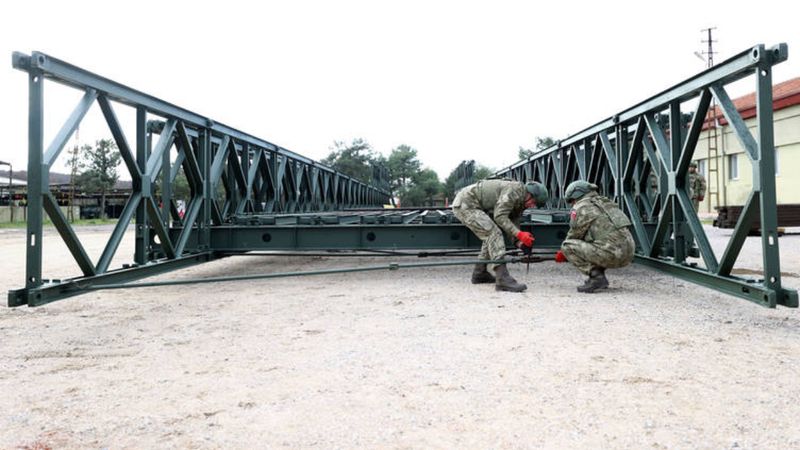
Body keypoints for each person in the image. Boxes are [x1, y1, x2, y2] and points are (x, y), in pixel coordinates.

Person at [452, 178, 548, 292]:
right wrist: (519, 234)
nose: (532, 206)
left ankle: (480, 273)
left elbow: (512, 222)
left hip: (473, 205)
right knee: (493, 233)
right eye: (534, 202)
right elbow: (500, 216)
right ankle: (502, 278)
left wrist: (519, 242)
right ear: (529, 194)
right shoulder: (514, 190)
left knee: (490, 236)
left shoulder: (521, 202)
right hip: (466, 204)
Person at [554, 181, 635, 293]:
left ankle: (597, 277)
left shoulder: (582, 207)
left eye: (572, 201)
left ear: (576, 195)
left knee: (567, 246)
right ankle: (599, 275)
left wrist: (563, 253)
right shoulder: (606, 202)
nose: (572, 204)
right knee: (599, 241)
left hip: (613, 255)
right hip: (629, 254)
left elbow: (574, 234)